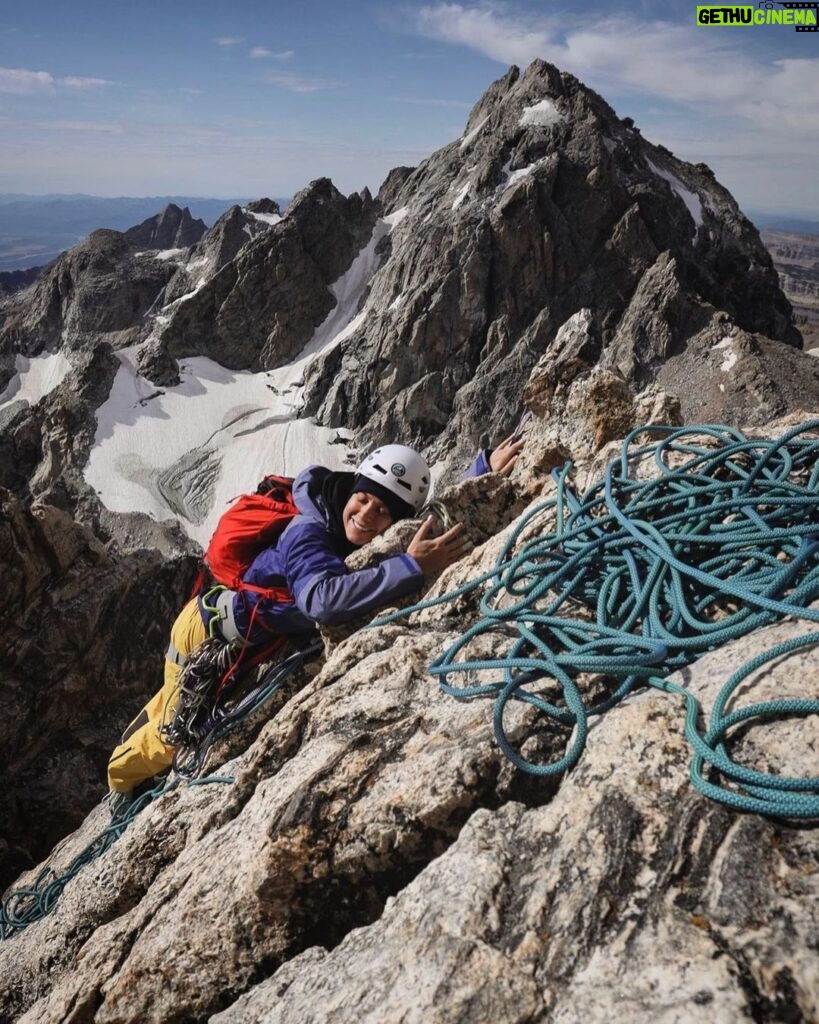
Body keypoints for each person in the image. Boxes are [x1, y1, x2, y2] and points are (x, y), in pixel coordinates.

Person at [107, 434, 526, 797]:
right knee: (171, 738)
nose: (365, 515)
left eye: (382, 511)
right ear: (351, 491)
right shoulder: (307, 532)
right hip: (206, 634)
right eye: (363, 499)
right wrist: (411, 568)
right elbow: (320, 601)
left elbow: (418, 524)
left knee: (176, 695)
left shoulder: (342, 516)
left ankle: (160, 703)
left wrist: (482, 472)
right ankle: (119, 774)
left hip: (243, 632)